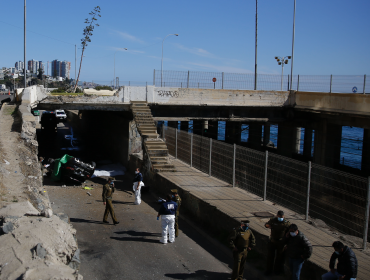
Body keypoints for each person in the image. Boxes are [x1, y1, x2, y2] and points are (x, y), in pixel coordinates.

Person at [265, 210, 291, 275]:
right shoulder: (273, 220)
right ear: (277, 216)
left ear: (284, 216)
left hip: (281, 242)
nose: (280, 218)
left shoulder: (286, 223)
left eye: (281, 217)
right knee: (270, 257)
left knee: (279, 258)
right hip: (272, 241)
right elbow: (266, 224)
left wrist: (287, 244)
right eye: (279, 216)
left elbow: (289, 233)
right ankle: (269, 271)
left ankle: (277, 271)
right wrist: (268, 226)